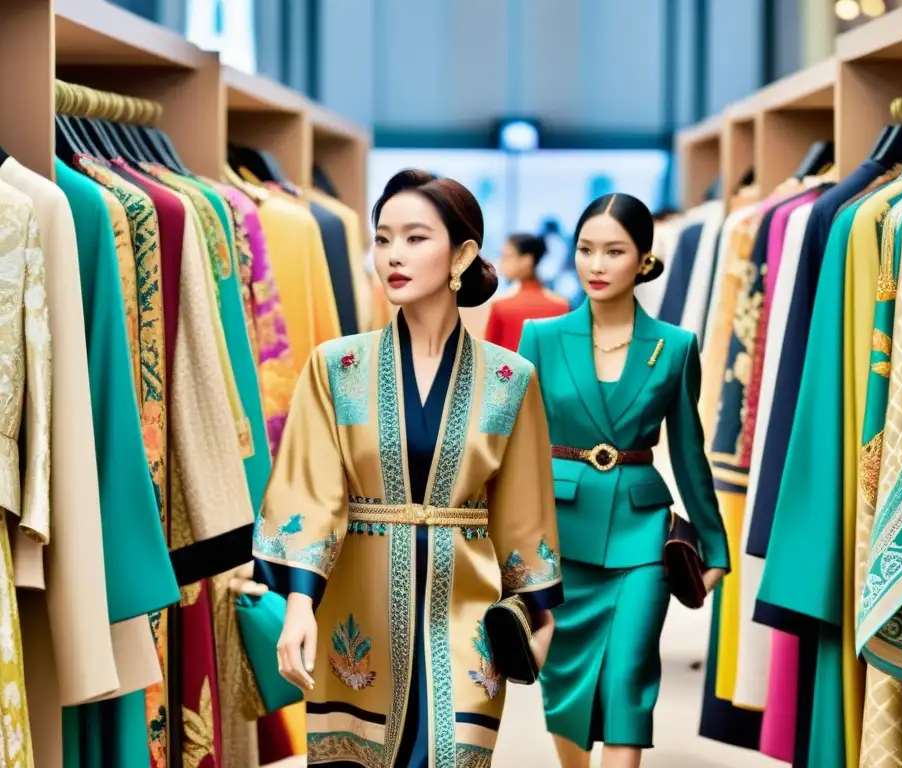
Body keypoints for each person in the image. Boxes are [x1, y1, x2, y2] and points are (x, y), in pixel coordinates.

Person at [253, 169, 564, 768]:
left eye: (415, 238)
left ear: (463, 253)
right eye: (383, 238)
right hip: (356, 614)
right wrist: (297, 605)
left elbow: (525, 512)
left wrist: (537, 617)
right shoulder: (337, 367)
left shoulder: (509, 381)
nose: (393, 255)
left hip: (468, 618)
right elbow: (310, 492)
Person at [518, 193, 730, 768]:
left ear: (643, 261)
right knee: (562, 684)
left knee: (630, 675)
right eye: (587, 250)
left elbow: (689, 454)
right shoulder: (539, 337)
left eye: (614, 251)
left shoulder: (677, 346)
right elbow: (520, 448)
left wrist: (713, 546)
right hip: (558, 538)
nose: (597, 264)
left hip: (641, 538)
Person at [484, 233, 570, 351]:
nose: (501, 263)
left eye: (506, 257)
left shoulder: (500, 304)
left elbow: (489, 354)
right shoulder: (561, 305)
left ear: (526, 260)